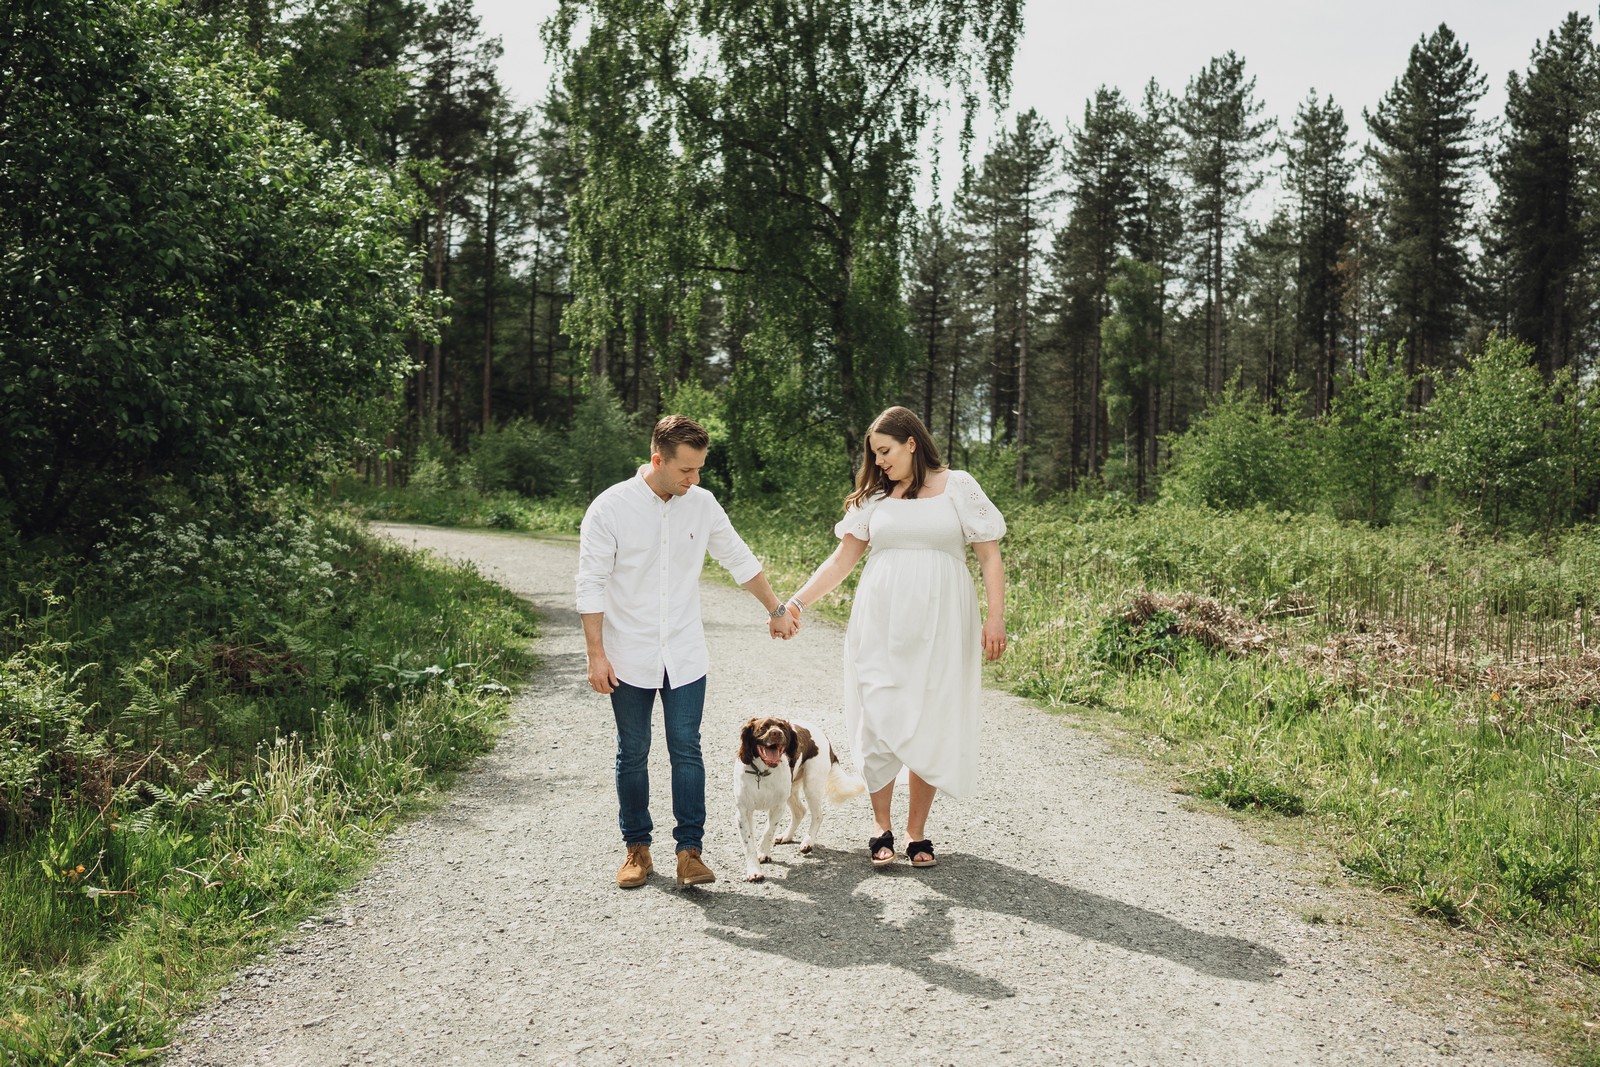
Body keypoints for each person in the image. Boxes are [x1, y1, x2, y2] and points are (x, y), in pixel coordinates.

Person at [576, 415, 798, 889]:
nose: (694, 480)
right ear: (658, 460)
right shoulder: (609, 508)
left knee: (687, 749)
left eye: (699, 470)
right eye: (686, 471)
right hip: (627, 653)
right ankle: (637, 849)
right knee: (633, 751)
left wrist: (776, 608)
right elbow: (590, 583)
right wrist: (596, 653)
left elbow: (739, 558)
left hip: (685, 653)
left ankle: (689, 852)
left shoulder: (701, 504)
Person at [780, 406, 1006, 869]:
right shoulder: (874, 499)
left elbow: (989, 558)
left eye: (885, 451)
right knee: (879, 714)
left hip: (943, 624)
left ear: (911, 443)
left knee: (930, 718)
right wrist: (797, 602)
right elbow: (841, 562)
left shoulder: (958, 486)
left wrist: (996, 618)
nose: (878, 461)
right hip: (880, 621)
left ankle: (916, 832)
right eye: (873, 453)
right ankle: (879, 825)